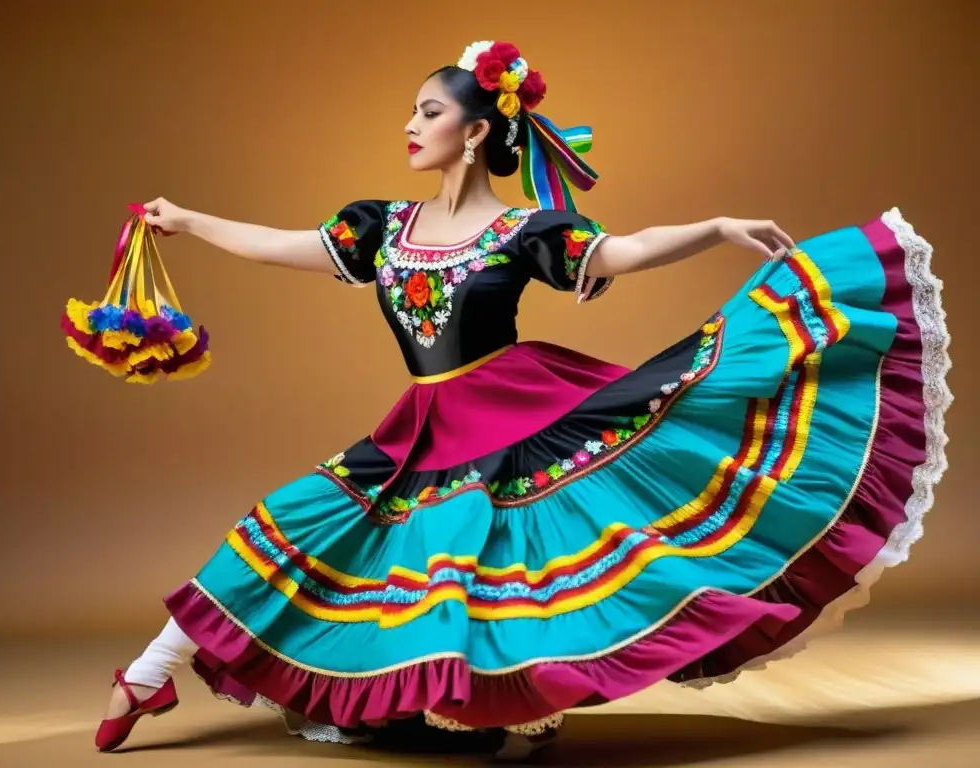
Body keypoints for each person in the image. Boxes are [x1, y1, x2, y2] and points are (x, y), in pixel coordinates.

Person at [93, 40, 952, 762]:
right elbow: (285, 245)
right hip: (426, 420)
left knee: (495, 568)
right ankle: (150, 673)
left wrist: (716, 228)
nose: (409, 125)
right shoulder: (378, 226)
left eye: (428, 111)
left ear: (475, 131)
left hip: (516, 411)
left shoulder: (523, 232)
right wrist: (192, 221)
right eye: (413, 111)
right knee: (291, 524)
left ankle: (504, 706)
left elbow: (621, 249)